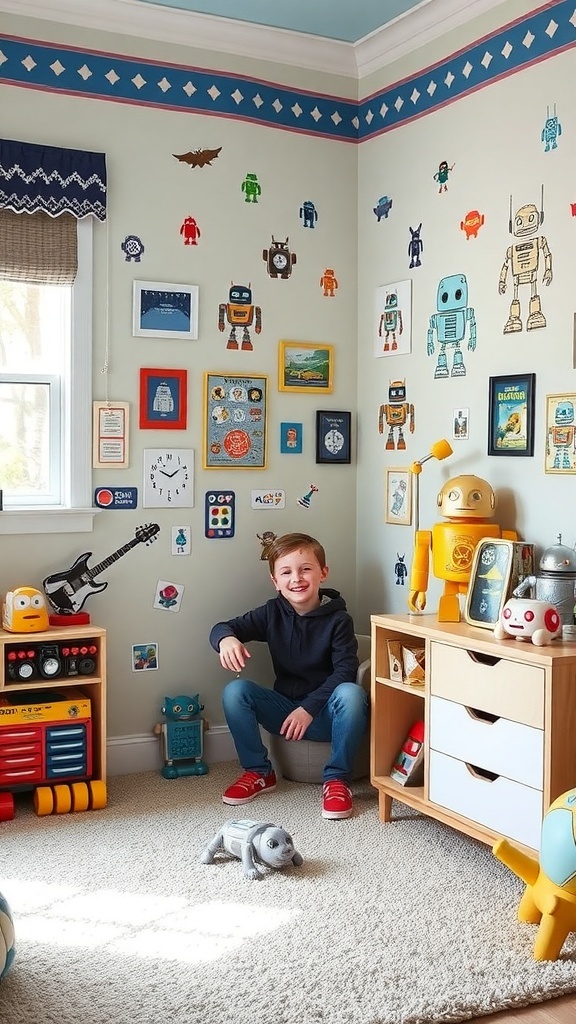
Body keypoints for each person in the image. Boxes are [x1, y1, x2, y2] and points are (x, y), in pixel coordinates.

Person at [209, 532, 368, 819]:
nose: (296, 578)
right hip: (284, 713)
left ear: (323, 573)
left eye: (305, 569)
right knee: (236, 692)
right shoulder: (272, 613)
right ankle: (258, 772)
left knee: (353, 693)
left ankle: (337, 780)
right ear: (276, 582)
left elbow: (345, 670)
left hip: (325, 714)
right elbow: (222, 627)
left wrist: (309, 708)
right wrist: (226, 640)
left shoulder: (338, 620)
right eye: (286, 572)